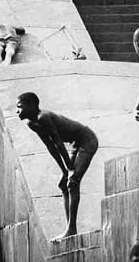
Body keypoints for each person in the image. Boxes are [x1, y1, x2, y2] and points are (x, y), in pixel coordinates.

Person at [16, 91, 98, 239]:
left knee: (73, 182)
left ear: (32, 106)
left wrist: (71, 169)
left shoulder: (44, 117)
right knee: (64, 184)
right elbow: (51, 147)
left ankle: (71, 229)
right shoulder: (31, 123)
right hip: (76, 143)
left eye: (20, 107)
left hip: (87, 140)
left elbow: (59, 143)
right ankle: (69, 229)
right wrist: (64, 170)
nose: (17, 111)